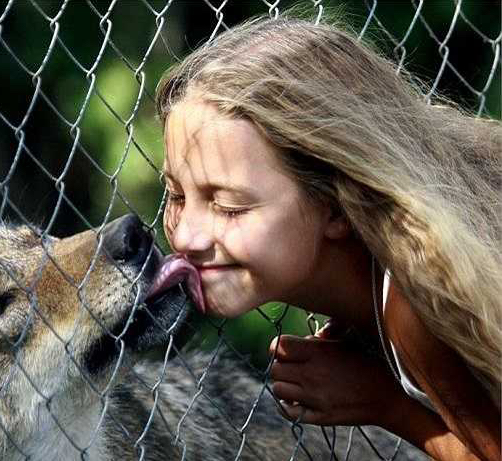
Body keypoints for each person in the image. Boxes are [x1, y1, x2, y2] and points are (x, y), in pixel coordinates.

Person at [155, 15, 501, 461]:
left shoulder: (416, 303)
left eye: (230, 206)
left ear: (336, 205)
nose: (186, 235)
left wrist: (385, 404)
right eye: (176, 196)